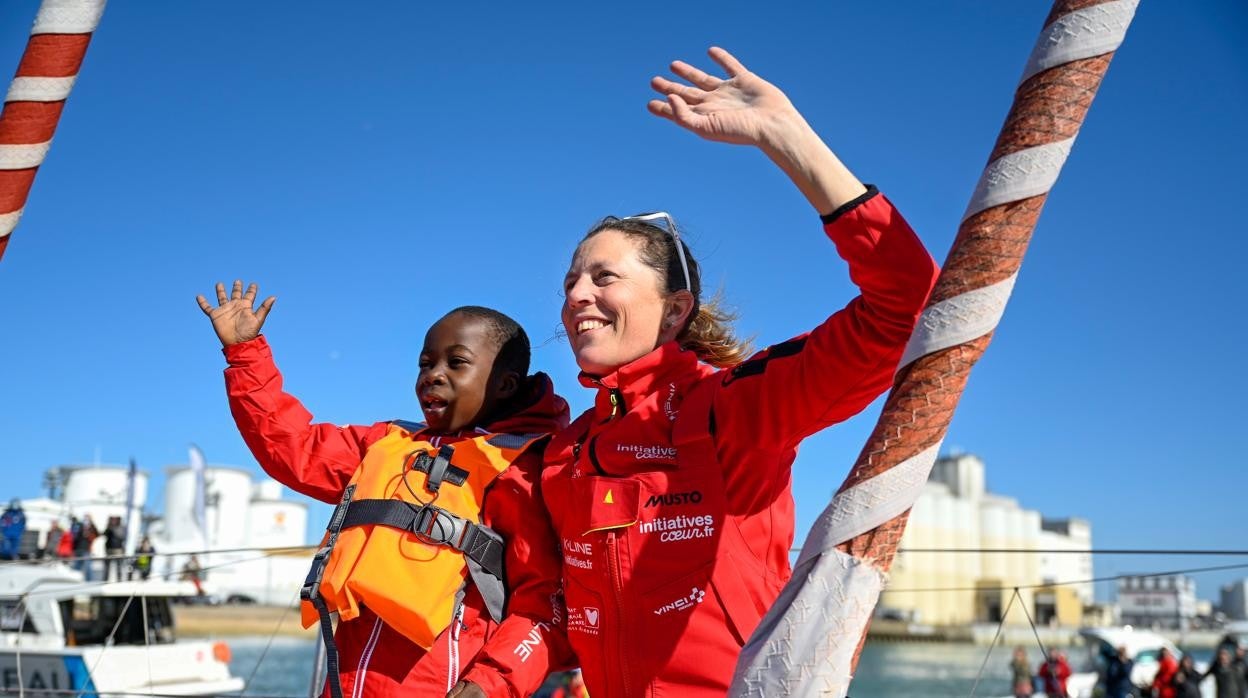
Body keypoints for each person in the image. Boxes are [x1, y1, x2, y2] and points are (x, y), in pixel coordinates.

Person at [541, 47, 939, 696]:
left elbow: (906, 311)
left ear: (675, 310)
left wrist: (786, 138)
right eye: (570, 281)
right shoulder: (564, 454)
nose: (576, 296)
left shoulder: (730, 410)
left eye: (603, 277)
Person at [197, 283, 572, 698]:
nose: (433, 376)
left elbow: (545, 602)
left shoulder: (521, 471)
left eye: (456, 363)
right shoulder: (384, 445)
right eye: (425, 364)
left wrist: (490, 683)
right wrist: (246, 352)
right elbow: (292, 446)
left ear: (504, 384)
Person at [103, 515, 126, 581]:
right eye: (112, 520)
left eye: (115, 520)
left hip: (118, 549)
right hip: (109, 549)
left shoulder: (121, 528)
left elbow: (121, 536)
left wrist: (113, 529)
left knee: (118, 566)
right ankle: (105, 580)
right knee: (107, 566)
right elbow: (104, 534)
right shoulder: (109, 527)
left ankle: (119, 580)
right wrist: (108, 527)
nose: (113, 521)